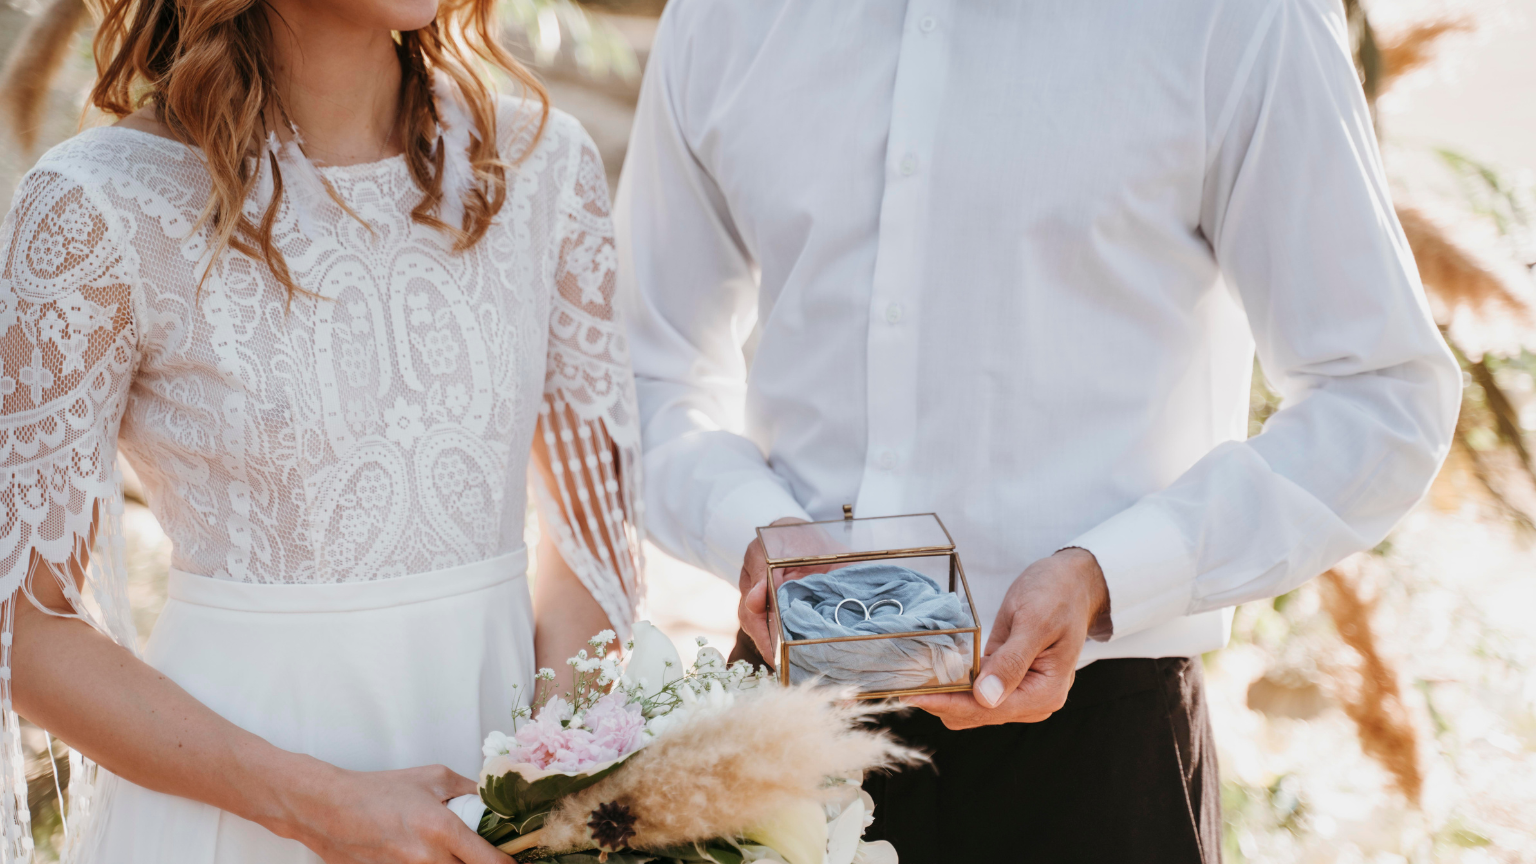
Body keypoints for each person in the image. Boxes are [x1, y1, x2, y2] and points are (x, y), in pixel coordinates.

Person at [616, 0, 1462, 860]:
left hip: (1097, 759)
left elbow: (1381, 394)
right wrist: (751, 529)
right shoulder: (724, 20)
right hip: (782, 742)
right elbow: (639, 374)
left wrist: (1110, 575)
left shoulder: (1235, 20)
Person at [0, 0, 643, 861]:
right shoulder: (98, 203)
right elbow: (26, 630)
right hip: (236, 811)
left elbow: (589, 543)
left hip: (497, 807)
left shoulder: (541, 164)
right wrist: (314, 806)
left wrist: (548, 792)